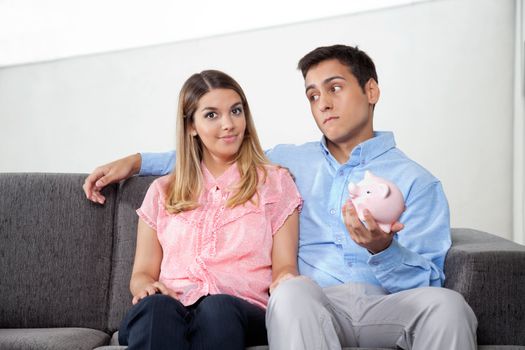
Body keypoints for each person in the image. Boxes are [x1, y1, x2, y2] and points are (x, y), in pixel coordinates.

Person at [84, 45, 477, 349]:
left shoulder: (418, 182)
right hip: (312, 302)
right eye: (312, 94)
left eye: (335, 88)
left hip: (388, 304)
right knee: (288, 291)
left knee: (450, 307)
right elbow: (212, 155)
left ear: (371, 90)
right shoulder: (289, 160)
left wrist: (383, 247)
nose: (322, 102)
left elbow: (430, 280)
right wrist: (136, 161)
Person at [115, 69, 301, 350]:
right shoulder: (162, 191)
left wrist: (286, 283)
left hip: (239, 310)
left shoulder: (275, 183)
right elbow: (142, 273)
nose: (228, 124)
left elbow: (285, 266)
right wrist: (146, 287)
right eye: (212, 115)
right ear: (191, 126)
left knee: (218, 309)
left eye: (236, 111)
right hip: (171, 307)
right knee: (156, 310)